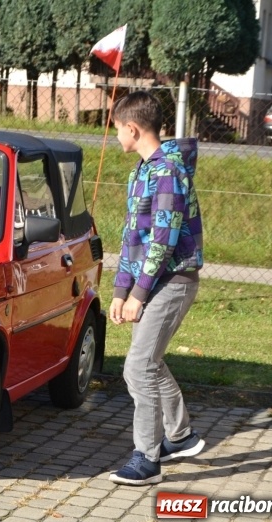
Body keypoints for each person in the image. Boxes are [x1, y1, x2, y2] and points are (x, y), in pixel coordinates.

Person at [107, 91, 205, 486]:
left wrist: (138, 294)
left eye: (117, 130)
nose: (116, 138)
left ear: (132, 128)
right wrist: (120, 289)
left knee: (139, 367)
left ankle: (146, 459)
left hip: (172, 281)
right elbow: (134, 235)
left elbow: (162, 241)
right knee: (148, 363)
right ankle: (180, 436)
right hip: (152, 282)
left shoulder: (167, 173)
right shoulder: (143, 171)